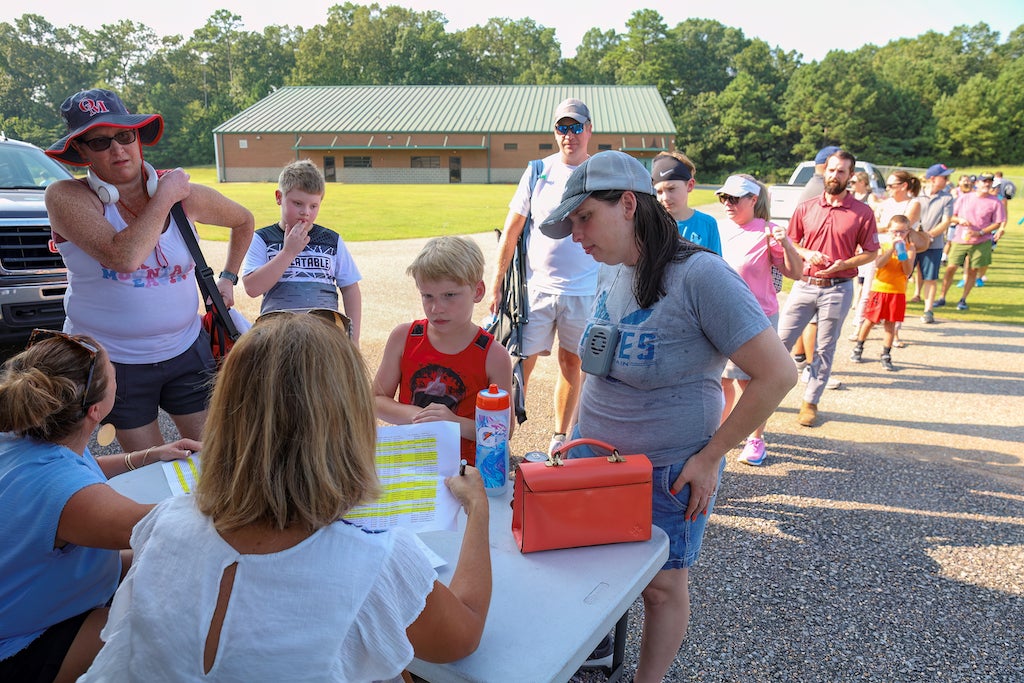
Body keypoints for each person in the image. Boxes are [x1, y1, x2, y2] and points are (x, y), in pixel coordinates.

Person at [80, 312, 492, 682]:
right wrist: (477, 511)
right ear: (349, 425)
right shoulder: (375, 558)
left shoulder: (167, 521)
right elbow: (463, 637)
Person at [539, 151, 796, 683]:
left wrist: (709, 458)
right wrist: (576, 440)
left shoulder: (701, 276)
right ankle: (600, 652)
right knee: (598, 565)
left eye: (584, 218)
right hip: (595, 458)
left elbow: (777, 375)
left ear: (628, 204)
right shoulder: (616, 269)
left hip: (666, 470)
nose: (576, 236)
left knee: (661, 587)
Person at [44, 88, 254, 453]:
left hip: (187, 350)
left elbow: (244, 221)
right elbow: (122, 256)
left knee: (216, 457)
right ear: (81, 152)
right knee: (153, 466)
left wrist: (228, 277)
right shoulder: (66, 197)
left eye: (125, 136)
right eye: (99, 141)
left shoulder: (180, 192)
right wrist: (165, 197)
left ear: (138, 137)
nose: (117, 149)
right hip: (115, 363)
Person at [0, 329, 198, 683]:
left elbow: (78, 464)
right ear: (97, 410)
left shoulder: (23, 431)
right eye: (115, 372)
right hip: (21, 643)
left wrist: (148, 456)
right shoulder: (69, 495)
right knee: (169, 638)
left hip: (39, 590)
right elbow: (173, 527)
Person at [490, 98, 596, 455]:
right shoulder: (538, 171)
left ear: (589, 130)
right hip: (536, 290)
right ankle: (499, 440)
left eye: (576, 127)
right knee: (517, 365)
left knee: (572, 362)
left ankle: (560, 436)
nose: (569, 135)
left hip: (584, 290)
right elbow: (513, 229)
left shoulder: (598, 173)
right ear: (555, 133)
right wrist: (498, 283)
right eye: (562, 128)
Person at [374, 236, 513, 464]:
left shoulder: (493, 355)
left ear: (477, 291)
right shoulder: (404, 337)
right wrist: (419, 416)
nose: (436, 308)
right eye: (427, 296)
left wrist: (451, 422)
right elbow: (376, 400)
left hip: (466, 469)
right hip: (411, 460)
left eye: (449, 295)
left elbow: (503, 430)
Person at [776, 148, 880, 427]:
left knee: (824, 348)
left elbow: (871, 252)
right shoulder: (806, 207)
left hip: (838, 286)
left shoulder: (862, 212)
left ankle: (810, 402)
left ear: (850, 175)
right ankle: (765, 396)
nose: (835, 175)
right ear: (825, 171)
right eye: (832, 170)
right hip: (805, 284)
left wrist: (845, 262)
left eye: (842, 171)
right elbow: (791, 242)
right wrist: (806, 253)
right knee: (778, 343)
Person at [715, 174, 803, 466]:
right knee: (722, 379)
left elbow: (795, 273)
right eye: (723, 197)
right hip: (720, 313)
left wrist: (786, 244)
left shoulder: (768, 231)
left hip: (757, 317)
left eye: (734, 198)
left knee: (755, 382)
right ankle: (719, 435)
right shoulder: (718, 228)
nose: (727, 203)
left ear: (753, 200)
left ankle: (756, 439)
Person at [241, 159, 363, 343]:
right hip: (277, 337)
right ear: (279, 197)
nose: (306, 212)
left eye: (313, 206)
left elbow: (350, 288)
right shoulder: (262, 239)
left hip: (324, 336)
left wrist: (353, 339)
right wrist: (288, 252)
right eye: (298, 203)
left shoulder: (331, 240)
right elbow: (252, 287)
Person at [850, 169, 922, 339]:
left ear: (903, 186)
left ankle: (894, 334)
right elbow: (873, 224)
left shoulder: (913, 204)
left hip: (901, 250)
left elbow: (903, 226)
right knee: (868, 289)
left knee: (898, 290)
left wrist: (884, 227)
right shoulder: (886, 203)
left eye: (891, 185)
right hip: (880, 249)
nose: (887, 188)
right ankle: (859, 327)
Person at [850, 216, 917, 371]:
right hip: (880, 289)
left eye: (902, 232)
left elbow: (907, 271)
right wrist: (891, 249)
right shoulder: (882, 244)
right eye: (895, 231)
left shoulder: (910, 247)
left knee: (890, 324)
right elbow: (879, 264)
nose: (898, 235)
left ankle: (886, 354)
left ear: (907, 231)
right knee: (870, 320)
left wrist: (904, 255)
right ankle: (859, 346)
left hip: (897, 291)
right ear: (889, 230)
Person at [937, 173, 1006, 311]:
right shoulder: (964, 198)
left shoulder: (995, 202)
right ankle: (942, 297)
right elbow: (951, 216)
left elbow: (998, 222)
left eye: (989, 182)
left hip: (981, 241)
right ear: (977, 184)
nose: (987, 184)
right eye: (984, 181)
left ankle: (963, 300)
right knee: (951, 267)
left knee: (973, 270)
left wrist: (980, 232)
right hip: (960, 239)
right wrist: (960, 220)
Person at [651, 151, 722, 254]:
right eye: (659, 192)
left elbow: (716, 265)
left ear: (690, 185)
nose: (665, 197)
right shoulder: (651, 225)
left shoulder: (707, 224)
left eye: (671, 189)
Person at [916, 164, 956, 324]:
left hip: (934, 244)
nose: (947, 180)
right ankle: (895, 309)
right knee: (902, 276)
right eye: (944, 177)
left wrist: (928, 236)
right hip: (910, 243)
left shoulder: (947, 198)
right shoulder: (916, 194)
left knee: (930, 278)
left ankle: (928, 310)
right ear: (933, 178)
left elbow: (946, 221)